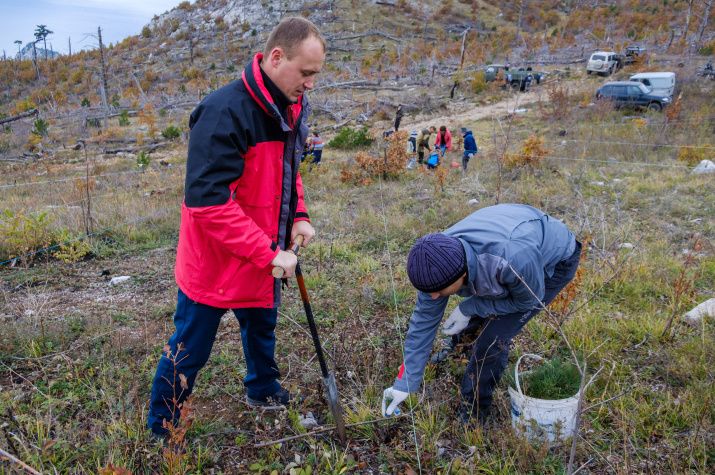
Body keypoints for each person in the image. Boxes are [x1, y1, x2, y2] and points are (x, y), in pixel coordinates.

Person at [148, 17, 326, 443]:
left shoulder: (291, 105)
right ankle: (162, 427)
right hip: (215, 261)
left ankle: (262, 389)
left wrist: (298, 215)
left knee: (262, 328)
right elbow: (207, 205)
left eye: (315, 75)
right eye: (306, 73)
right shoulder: (223, 112)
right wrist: (268, 252)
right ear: (276, 57)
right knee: (190, 347)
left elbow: (288, 170)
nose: (310, 85)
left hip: (265, 256)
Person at [381, 204, 581, 426]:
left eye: (439, 291)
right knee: (484, 300)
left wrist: (470, 307)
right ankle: (458, 349)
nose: (434, 297)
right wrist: (404, 384)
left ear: (463, 273)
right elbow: (423, 324)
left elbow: (528, 300)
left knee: (493, 338)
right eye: (428, 291)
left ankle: (474, 410)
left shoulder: (513, 258)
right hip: (505, 241)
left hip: (551, 260)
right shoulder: (434, 261)